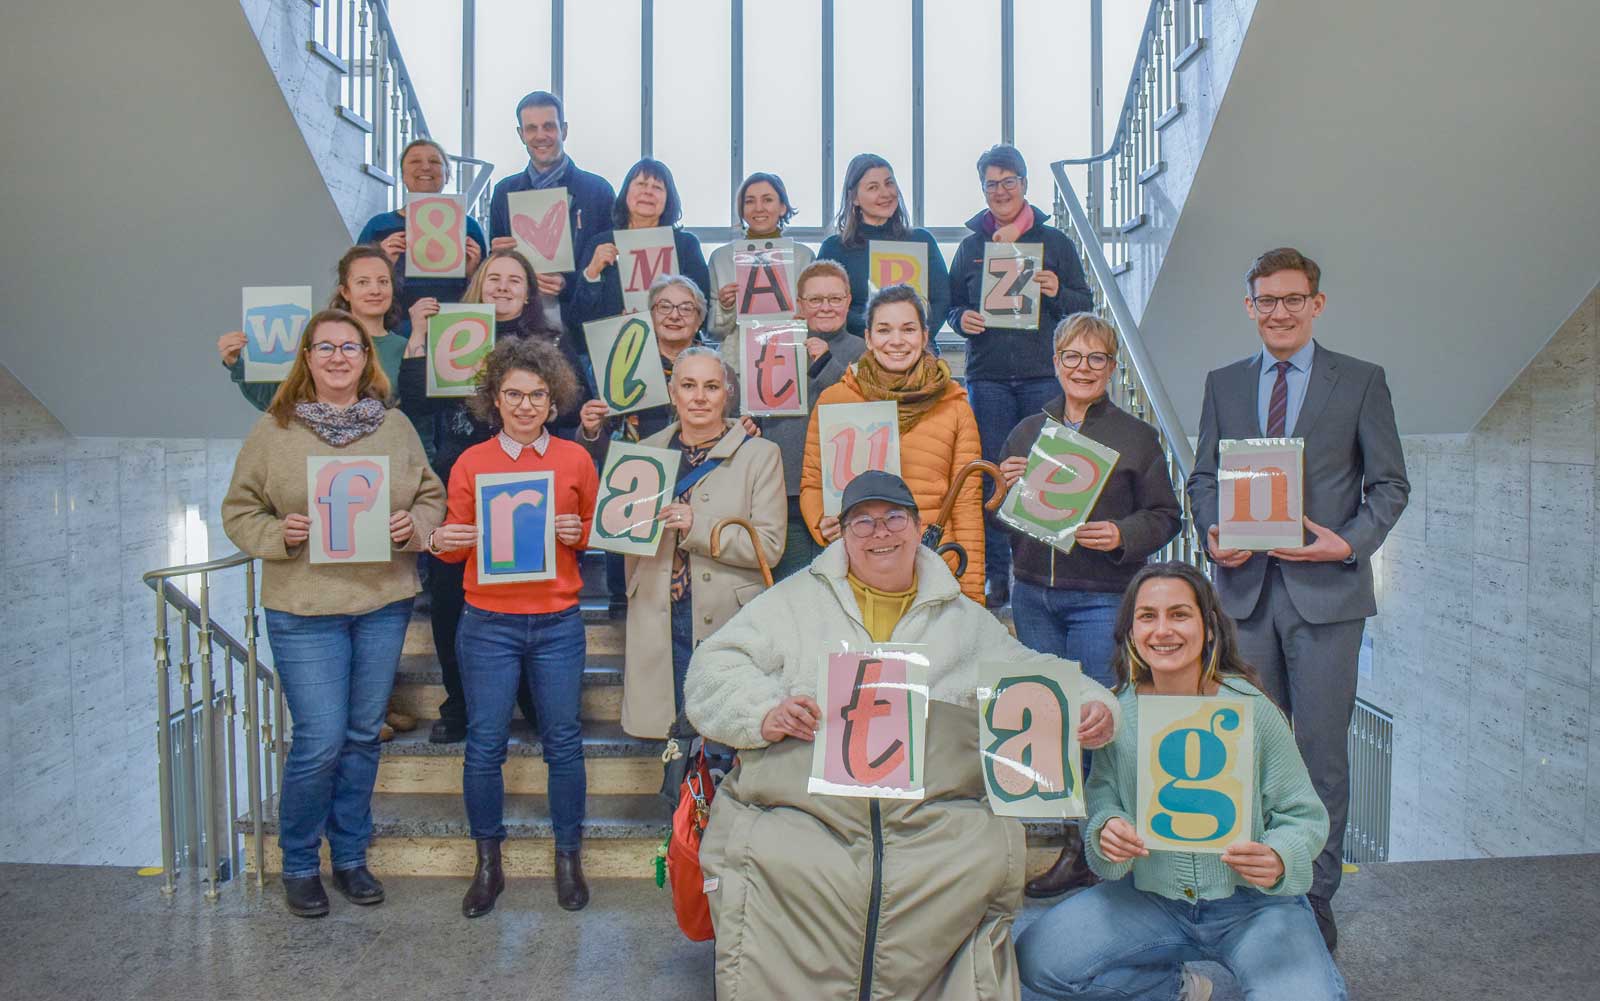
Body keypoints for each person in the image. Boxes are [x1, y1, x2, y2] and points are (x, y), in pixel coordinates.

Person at [685, 470, 1121, 1000]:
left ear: (917, 528)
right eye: (862, 522)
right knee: (775, 856)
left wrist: (1092, 706)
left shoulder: (963, 620)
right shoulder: (793, 602)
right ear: (842, 535)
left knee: (977, 857)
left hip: (931, 821)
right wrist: (764, 712)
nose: (880, 533)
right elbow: (713, 666)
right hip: (807, 810)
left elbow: (1030, 669)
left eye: (894, 518)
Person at [1186, 247, 1408, 952]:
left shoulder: (1361, 381)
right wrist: (1211, 529)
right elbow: (1202, 478)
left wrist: (1346, 543)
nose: (1278, 312)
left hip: (1327, 598)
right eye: (1266, 300)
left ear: (1316, 304)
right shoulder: (1223, 383)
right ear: (1249, 307)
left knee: (1319, 757)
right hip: (1244, 597)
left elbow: (1389, 485)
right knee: (1244, 749)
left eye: (1292, 299)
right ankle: (1249, 885)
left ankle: (1312, 895)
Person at [1015, 562, 1346, 1001]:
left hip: (1254, 904)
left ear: (1208, 628)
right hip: (1151, 897)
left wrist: (1280, 856)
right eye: (1147, 616)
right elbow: (1102, 803)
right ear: (1131, 632)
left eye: (1179, 614)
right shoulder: (1117, 713)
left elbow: (1303, 814)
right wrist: (1106, 831)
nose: (1162, 630)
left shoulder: (1254, 709)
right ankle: (1172, 987)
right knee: (1034, 962)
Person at [220, 308, 445, 918]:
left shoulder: (394, 426)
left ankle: (349, 857)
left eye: (351, 347)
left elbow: (431, 493)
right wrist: (278, 533)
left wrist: (413, 524)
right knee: (320, 740)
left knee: (361, 736)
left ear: (366, 358)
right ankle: (298, 863)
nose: (339, 357)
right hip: (304, 606)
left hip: (381, 603)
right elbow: (239, 509)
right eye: (326, 347)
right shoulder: (275, 429)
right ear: (307, 358)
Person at [999, 312, 1183, 898]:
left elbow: (1166, 516)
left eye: (1096, 358)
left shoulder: (1136, 437)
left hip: (1100, 598)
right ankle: (1073, 840)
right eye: (1072, 357)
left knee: (1096, 723)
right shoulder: (1027, 431)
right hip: (1032, 593)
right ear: (1055, 363)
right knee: (1049, 722)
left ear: (1111, 366)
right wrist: (1001, 489)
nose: (1084, 368)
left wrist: (1123, 534)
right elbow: (1003, 517)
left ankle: (1092, 849)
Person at [425, 337, 600, 916]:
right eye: (514, 394)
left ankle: (568, 859)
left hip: (557, 622)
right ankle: (488, 865)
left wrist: (580, 534)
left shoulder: (575, 459)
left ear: (554, 402)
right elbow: (454, 545)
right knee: (484, 745)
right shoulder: (470, 463)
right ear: (494, 400)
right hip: (488, 624)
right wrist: (441, 540)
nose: (526, 405)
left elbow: (596, 531)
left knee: (563, 742)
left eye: (538, 395)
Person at [401, 249, 589, 744]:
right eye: (493, 278)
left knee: (528, 592)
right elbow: (415, 399)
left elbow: (573, 406)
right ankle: (458, 703)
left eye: (514, 280)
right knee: (449, 597)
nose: (503, 287)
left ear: (529, 293)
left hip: (531, 486)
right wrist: (419, 335)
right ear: (478, 285)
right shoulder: (451, 333)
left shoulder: (551, 341)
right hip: (462, 478)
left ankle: (531, 697)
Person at [947, 144, 1094, 609]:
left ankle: (1044, 569)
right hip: (987, 377)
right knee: (993, 477)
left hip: (1042, 375)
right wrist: (961, 318)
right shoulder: (971, 247)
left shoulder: (1055, 243)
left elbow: (1083, 305)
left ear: (1025, 184)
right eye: (992, 184)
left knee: (1048, 473)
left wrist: (1057, 290)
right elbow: (951, 305)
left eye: (1009, 182)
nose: (1001, 191)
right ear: (982, 190)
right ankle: (997, 576)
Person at [614, 347, 784, 738]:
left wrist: (699, 526)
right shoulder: (641, 454)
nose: (699, 397)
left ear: (728, 393)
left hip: (729, 615)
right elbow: (624, 539)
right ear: (672, 393)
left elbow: (770, 546)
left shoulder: (760, 455)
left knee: (727, 731)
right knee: (670, 734)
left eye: (711, 386)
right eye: (688, 386)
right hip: (659, 612)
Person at [800, 284, 986, 602]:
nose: (897, 341)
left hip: (935, 570)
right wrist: (821, 522)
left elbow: (966, 507)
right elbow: (813, 483)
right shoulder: (836, 399)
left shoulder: (955, 406)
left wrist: (972, 597)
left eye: (908, 329)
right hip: (858, 571)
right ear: (868, 338)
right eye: (884, 330)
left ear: (925, 337)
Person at [578, 274, 713, 615]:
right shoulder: (620, 363)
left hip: (699, 488)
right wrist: (591, 429)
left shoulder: (718, 367)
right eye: (664, 306)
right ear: (649, 315)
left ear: (700, 318)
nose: (674, 315)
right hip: (632, 489)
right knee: (627, 598)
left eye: (686, 308)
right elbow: (599, 443)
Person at [722, 259, 866, 581]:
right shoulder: (773, 344)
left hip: (841, 489)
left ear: (848, 301)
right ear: (800, 304)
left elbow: (863, 407)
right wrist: (751, 422)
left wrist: (826, 362)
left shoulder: (863, 351)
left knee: (841, 582)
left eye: (835, 298)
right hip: (786, 486)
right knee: (791, 582)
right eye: (815, 300)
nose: (825, 307)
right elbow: (755, 403)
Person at [218, 246, 409, 417]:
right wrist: (236, 363)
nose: (375, 290)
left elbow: (413, 418)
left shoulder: (405, 349)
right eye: (363, 282)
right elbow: (275, 400)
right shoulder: (315, 341)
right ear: (345, 292)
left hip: (380, 445)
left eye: (383, 281)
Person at [488, 91, 616, 340]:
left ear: (564, 130)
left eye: (548, 126)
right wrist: (497, 257)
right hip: (519, 328)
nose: (540, 136)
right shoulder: (504, 192)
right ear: (521, 134)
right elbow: (494, 268)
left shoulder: (598, 191)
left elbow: (610, 267)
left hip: (581, 329)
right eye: (531, 128)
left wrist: (569, 283)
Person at [357, 137, 487, 337]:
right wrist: (382, 264)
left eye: (435, 161)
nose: (426, 167)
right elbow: (354, 282)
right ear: (403, 175)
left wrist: (472, 273)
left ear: (447, 175)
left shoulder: (469, 227)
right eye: (415, 161)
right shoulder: (378, 226)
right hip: (392, 331)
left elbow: (486, 293)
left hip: (455, 330)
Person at [817, 153, 950, 338]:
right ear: (854, 198)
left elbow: (941, 301)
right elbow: (828, 308)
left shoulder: (922, 240)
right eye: (873, 187)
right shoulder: (834, 248)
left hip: (918, 346)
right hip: (858, 347)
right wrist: (879, 335)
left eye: (889, 183)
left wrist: (914, 337)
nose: (886, 193)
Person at [573, 158, 711, 329]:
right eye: (641, 184)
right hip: (614, 341)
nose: (648, 192)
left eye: (657, 187)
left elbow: (703, 311)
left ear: (668, 199)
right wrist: (592, 273)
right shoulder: (600, 243)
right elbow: (578, 317)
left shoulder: (686, 245)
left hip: (673, 340)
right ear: (626, 193)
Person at [706, 172, 816, 342]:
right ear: (741, 210)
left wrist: (807, 319)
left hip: (792, 351)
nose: (758, 208)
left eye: (767, 200)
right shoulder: (720, 259)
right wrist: (725, 308)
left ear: (783, 207)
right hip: (736, 355)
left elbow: (818, 322)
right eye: (749, 201)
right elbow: (713, 333)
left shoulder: (804, 257)